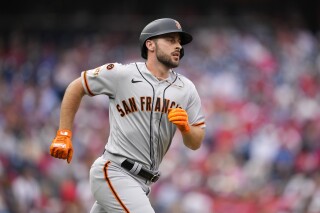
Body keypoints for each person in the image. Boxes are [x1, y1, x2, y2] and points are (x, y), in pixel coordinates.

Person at [49, 18, 206, 213]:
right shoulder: (122, 74)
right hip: (115, 171)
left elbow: (195, 142)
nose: (178, 46)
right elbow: (76, 87)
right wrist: (64, 133)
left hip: (143, 183)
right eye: (170, 39)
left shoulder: (187, 88)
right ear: (150, 44)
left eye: (179, 42)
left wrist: (186, 129)